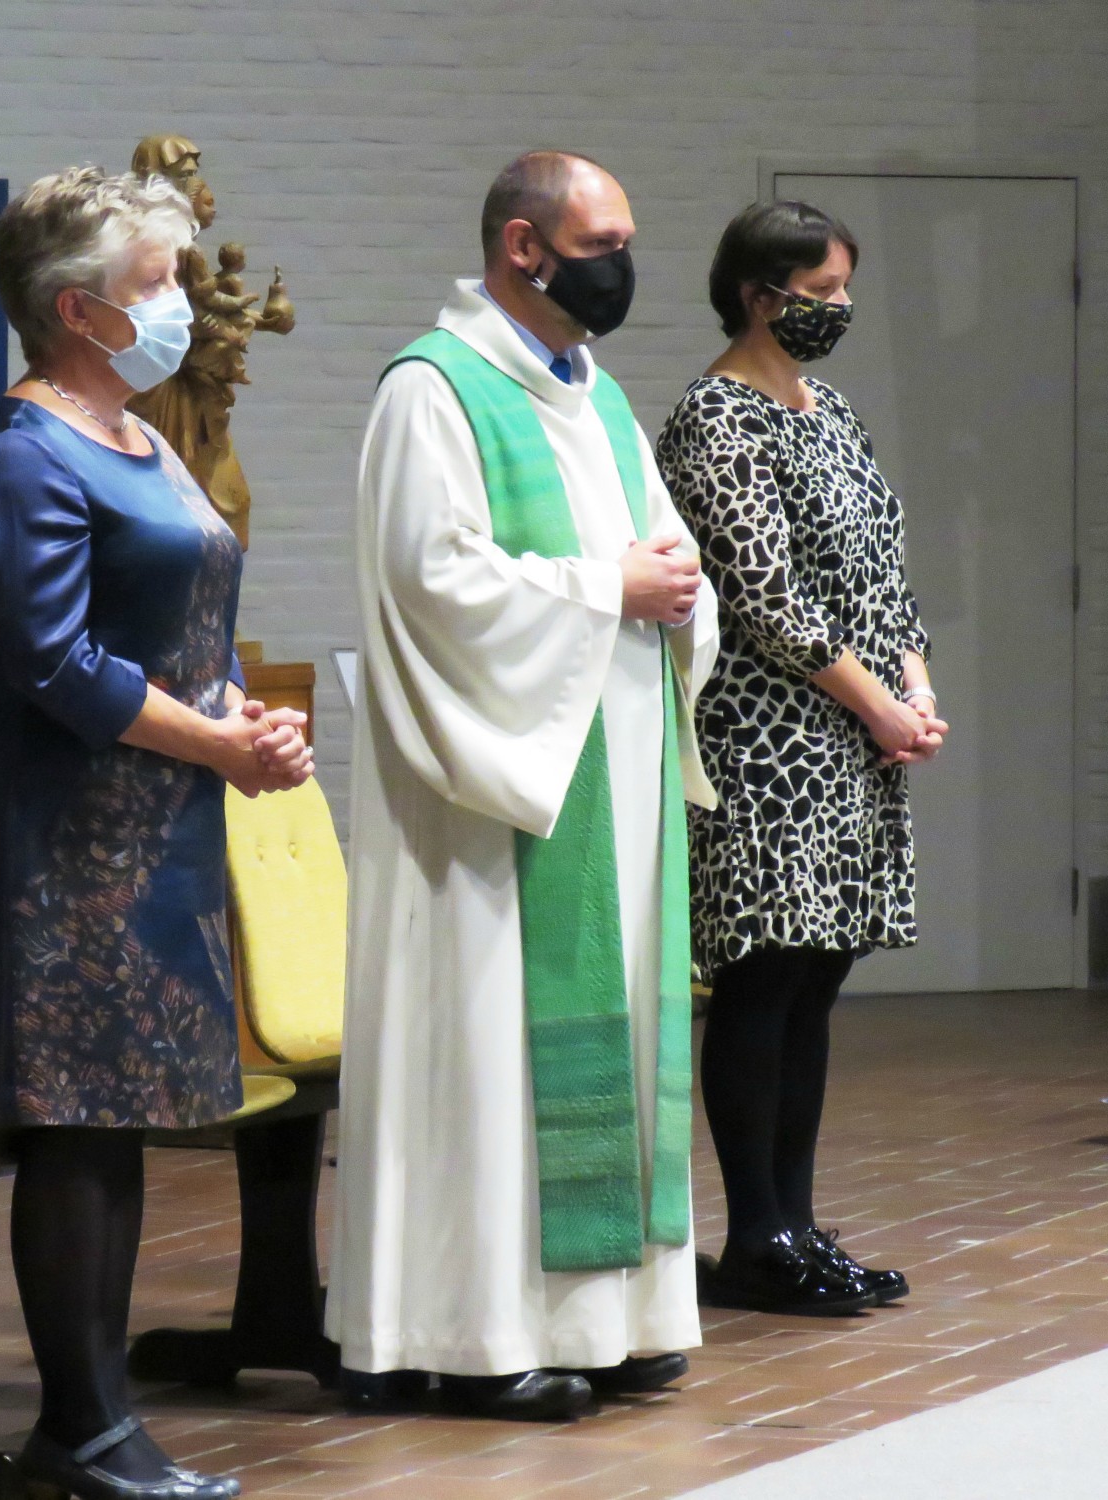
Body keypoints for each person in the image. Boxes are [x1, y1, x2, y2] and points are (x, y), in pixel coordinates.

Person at [327, 150, 719, 1422]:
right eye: (601, 240)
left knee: (615, 1033)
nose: (621, 266)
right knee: (489, 1060)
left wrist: (673, 586)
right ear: (520, 246)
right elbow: (427, 584)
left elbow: (663, 555)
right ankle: (469, 1333)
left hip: (616, 769)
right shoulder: (431, 391)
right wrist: (605, 589)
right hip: (500, 808)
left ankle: (611, 1319)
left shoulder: (596, 397)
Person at [0, 165, 313, 1500]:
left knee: (121, 1119)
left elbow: (178, 630)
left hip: (160, 832)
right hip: (64, 841)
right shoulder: (21, 452)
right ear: (73, 312)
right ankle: (84, 1427)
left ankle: (95, 1428)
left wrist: (248, 722)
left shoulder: (143, 440)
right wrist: (214, 737)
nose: (178, 308)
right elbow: (56, 661)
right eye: (152, 286)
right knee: (74, 1129)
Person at [654, 200, 946, 1318]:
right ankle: (755, 1234)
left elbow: (885, 572)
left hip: (857, 734)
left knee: (817, 977)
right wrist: (879, 709)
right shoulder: (713, 418)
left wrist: (915, 689)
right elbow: (767, 601)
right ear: (754, 292)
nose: (835, 312)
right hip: (767, 741)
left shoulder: (830, 411)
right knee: (764, 975)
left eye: (841, 294)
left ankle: (796, 1219)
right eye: (816, 294)